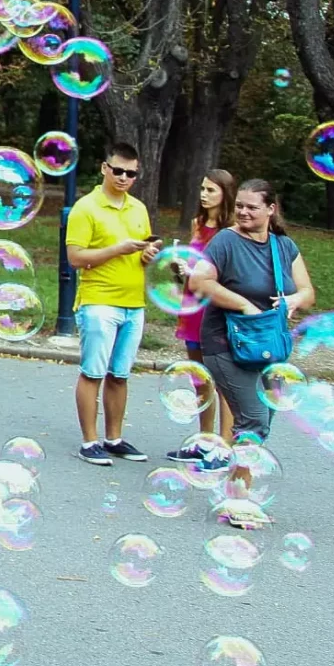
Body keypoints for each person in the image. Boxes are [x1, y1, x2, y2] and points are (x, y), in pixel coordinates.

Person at [189, 178, 315, 448]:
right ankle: (239, 487)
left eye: (251, 207)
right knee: (254, 418)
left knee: (262, 420)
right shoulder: (226, 241)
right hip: (225, 344)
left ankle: (238, 479)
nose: (243, 212)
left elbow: (308, 292)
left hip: (269, 344)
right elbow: (198, 282)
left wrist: (293, 299)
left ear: (271, 209)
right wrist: (244, 304)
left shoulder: (283, 246)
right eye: (239, 206)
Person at [65, 142, 160, 466]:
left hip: (134, 303)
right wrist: (117, 249)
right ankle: (89, 441)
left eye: (130, 173)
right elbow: (75, 258)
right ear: (104, 168)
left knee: (120, 375)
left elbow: (141, 253)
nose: (123, 177)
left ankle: (114, 438)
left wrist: (147, 255)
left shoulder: (138, 209)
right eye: (117, 170)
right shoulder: (86, 208)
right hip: (98, 302)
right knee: (93, 372)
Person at [166, 169, 237, 463]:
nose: (204, 195)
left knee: (222, 379)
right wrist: (177, 268)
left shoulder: (231, 230)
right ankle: (204, 441)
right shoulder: (198, 223)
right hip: (193, 308)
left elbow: (230, 273)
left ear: (226, 194)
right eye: (203, 189)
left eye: (211, 190)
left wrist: (196, 273)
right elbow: (192, 267)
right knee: (200, 377)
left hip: (216, 311)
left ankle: (224, 447)